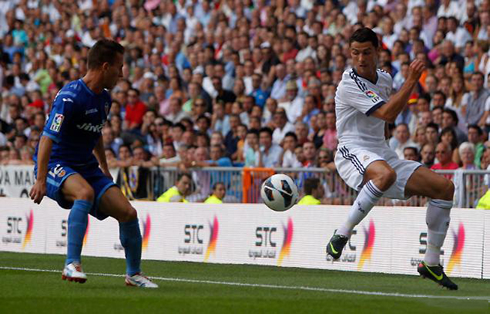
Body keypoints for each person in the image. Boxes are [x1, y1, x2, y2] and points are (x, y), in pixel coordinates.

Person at [326, 28, 457, 290]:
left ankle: (431, 262)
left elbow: (387, 117)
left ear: (377, 52)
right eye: (355, 53)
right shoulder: (349, 83)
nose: (361, 59)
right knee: (385, 175)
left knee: (444, 188)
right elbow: (387, 113)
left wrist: (386, 137)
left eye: (366, 52)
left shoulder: (384, 79)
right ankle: (341, 233)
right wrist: (411, 81)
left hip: (381, 151)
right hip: (352, 150)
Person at [29, 39, 157, 288]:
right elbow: (47, 138)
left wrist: (105, 170)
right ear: (105, 66)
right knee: (84, 193)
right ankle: (71, 263)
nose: (122, 74)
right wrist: (41, 179)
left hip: (86, 166)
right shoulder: (70, 97)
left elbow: (95, 133)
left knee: (128, 212)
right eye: (119, 67)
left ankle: (134, 274)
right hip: (58, 163)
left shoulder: (104, 99)